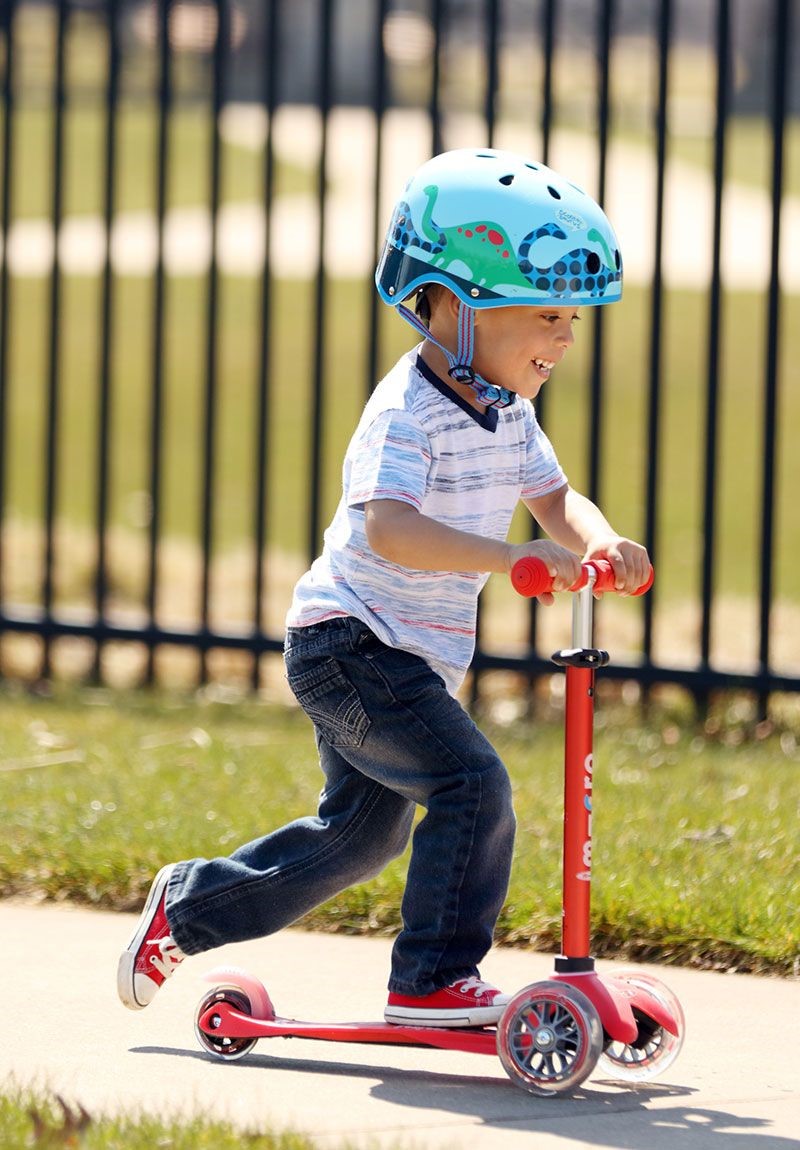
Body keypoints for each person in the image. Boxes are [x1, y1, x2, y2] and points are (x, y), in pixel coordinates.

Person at [118, 148, 650, 1028]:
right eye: (546, 315)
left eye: (572, 320)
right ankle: (434, 980)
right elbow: (388, 528)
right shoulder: (409, 411)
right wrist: (509, 558)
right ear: (454, 304)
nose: (564, 339)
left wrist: (600, 541)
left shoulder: (507, 412)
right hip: (349, 645)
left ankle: (188, 908)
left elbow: (555, 499)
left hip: (408, 657)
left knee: (360, 837)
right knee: (474, 785)